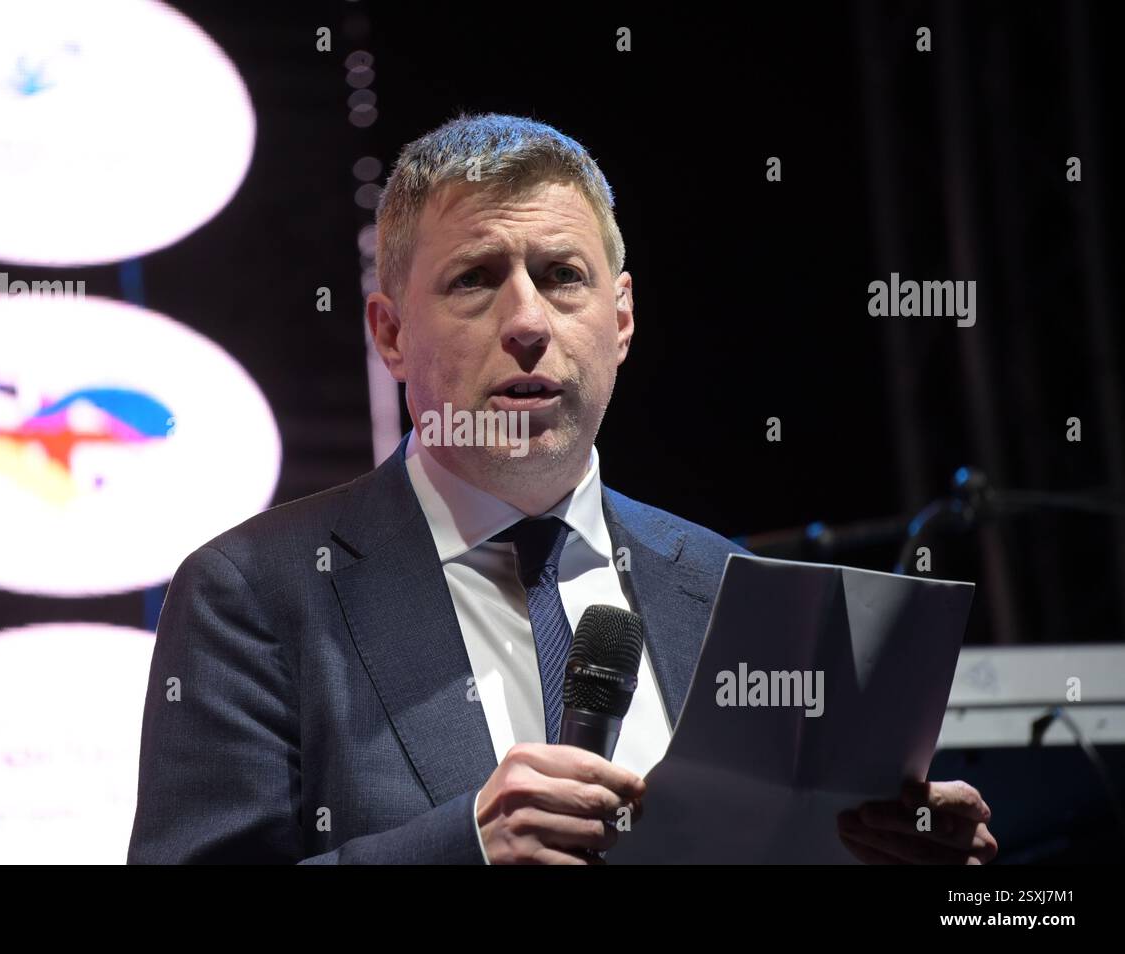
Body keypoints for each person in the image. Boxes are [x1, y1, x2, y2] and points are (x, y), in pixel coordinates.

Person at [127, 113, 998, 865]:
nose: (529, 324)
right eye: (475, 280)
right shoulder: (255, 596)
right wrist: (463, 848)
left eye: (561, 276)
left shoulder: (726, 581)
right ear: (389, 334)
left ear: (620, 320)